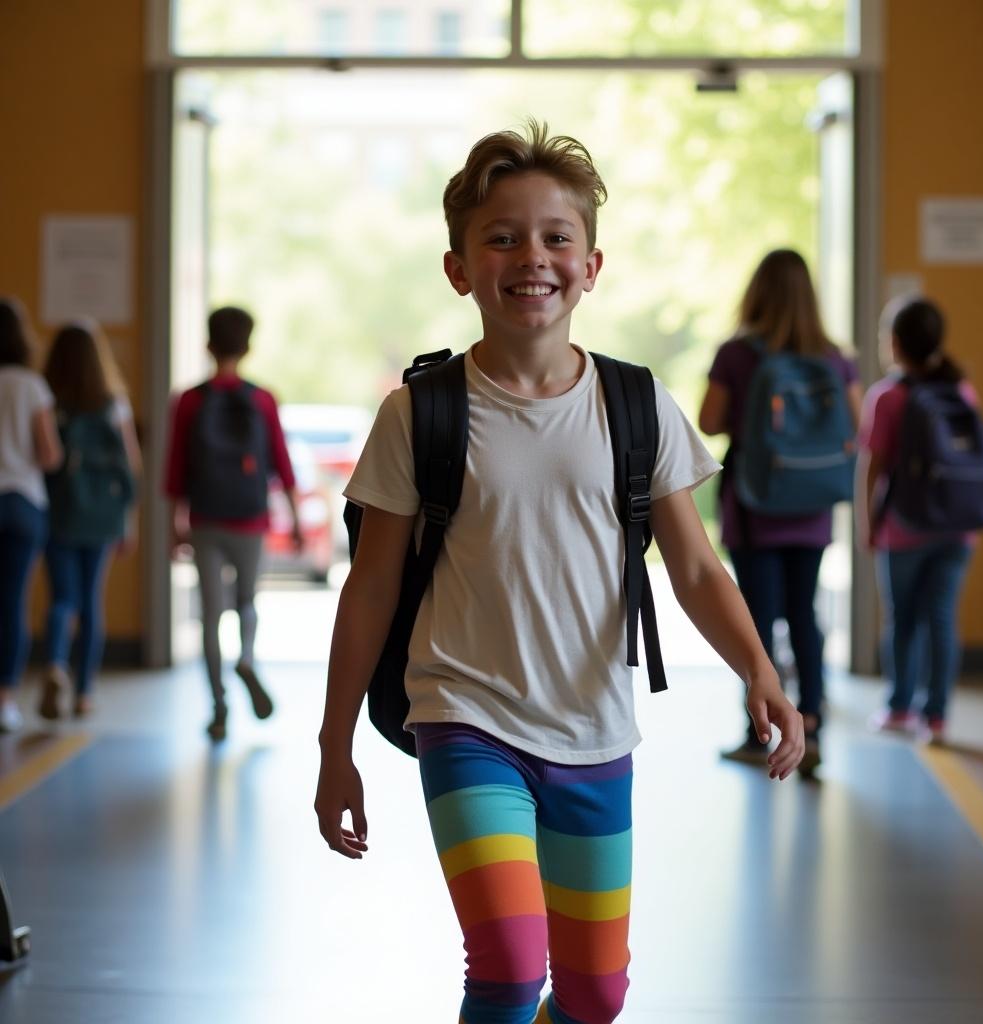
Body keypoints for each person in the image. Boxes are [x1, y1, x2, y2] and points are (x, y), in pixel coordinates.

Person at [314, 121, 804, 1024]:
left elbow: (696, 567)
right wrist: (333, 743)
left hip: (593, 728)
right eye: (500, 237)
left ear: (591, 262)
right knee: (505, 965)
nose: (530, 257)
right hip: (464, 716)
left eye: (554, 237)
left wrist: (761, 674)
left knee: (593, 996)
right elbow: (371, 587)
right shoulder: (418, 413)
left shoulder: (636, 403)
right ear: (460, 267)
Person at [698, 249, 861, 775]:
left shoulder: (738, 353)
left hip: (756, 504)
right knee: (806, 616)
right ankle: (811, 728)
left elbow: (709, 420)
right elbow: (854, 428)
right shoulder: (836, 358)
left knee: (757, 622)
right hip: (812, 506)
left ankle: (760, 732)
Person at [163, 306, 301, 741]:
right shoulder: (262, 399)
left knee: (209, 615)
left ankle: (218, 706)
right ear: (247, 347)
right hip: (250, 518)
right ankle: (246, 658)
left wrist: (175, 525)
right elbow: (281, 465)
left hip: (206, 518)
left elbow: (175, 469)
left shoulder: (189, 400)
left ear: (208, 344)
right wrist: (295, 521)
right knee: (246, 602)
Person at [856, 297, 976, 744]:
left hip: (903, 527)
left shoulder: (887, 395)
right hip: (957, 527)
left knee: (902, 618)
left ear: (896, 342)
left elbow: (872, 465)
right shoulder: (962, 390)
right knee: (941, 617)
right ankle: (938, 716)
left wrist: (867, 523)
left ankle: (899, 707)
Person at [37, 320, 143, 720]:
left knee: (62, 598)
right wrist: (128, 523)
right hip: (103, 514)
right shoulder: (113, 402)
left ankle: (53, 666)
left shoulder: (48, 398)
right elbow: (131, 466)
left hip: (58, 511)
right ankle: (84, 692)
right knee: (91, 601)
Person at [0, 297, 63, 733]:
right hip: (22, 503)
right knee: (12, 602)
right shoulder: (30, 385)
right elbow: (49, 454)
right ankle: (4, 699)